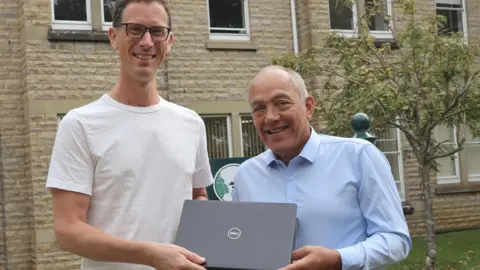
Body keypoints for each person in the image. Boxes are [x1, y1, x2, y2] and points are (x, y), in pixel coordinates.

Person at [45, 1, 213, 269]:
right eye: (135, 30)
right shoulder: (80, 124)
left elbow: (198, 197)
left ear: (169, 42)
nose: (147, 42)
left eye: (157, 32)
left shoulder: (191, 123)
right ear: (114, 37)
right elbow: (68, 231)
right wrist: (149, 255)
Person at [232, 65, 412, 270]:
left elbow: (396, 240)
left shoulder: (358, 156)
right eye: (259, 109)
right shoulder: (246, 175)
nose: (271, 117)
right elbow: (241, 248)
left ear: (308, 107)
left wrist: (338, 259)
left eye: (282, 103)